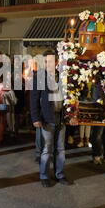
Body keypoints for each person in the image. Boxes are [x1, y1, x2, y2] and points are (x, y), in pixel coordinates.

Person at [30, 49, 72, 187]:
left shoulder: (63, 76)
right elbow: (34, 98)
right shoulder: (39, 76)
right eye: (46, 61)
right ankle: (44, 176)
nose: (49, 64)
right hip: (47, 117)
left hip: (61, 117)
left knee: (60, 149)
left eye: (51, 61)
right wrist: (35, 118)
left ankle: (59, 174)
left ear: (57, 62)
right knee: (47, 149)